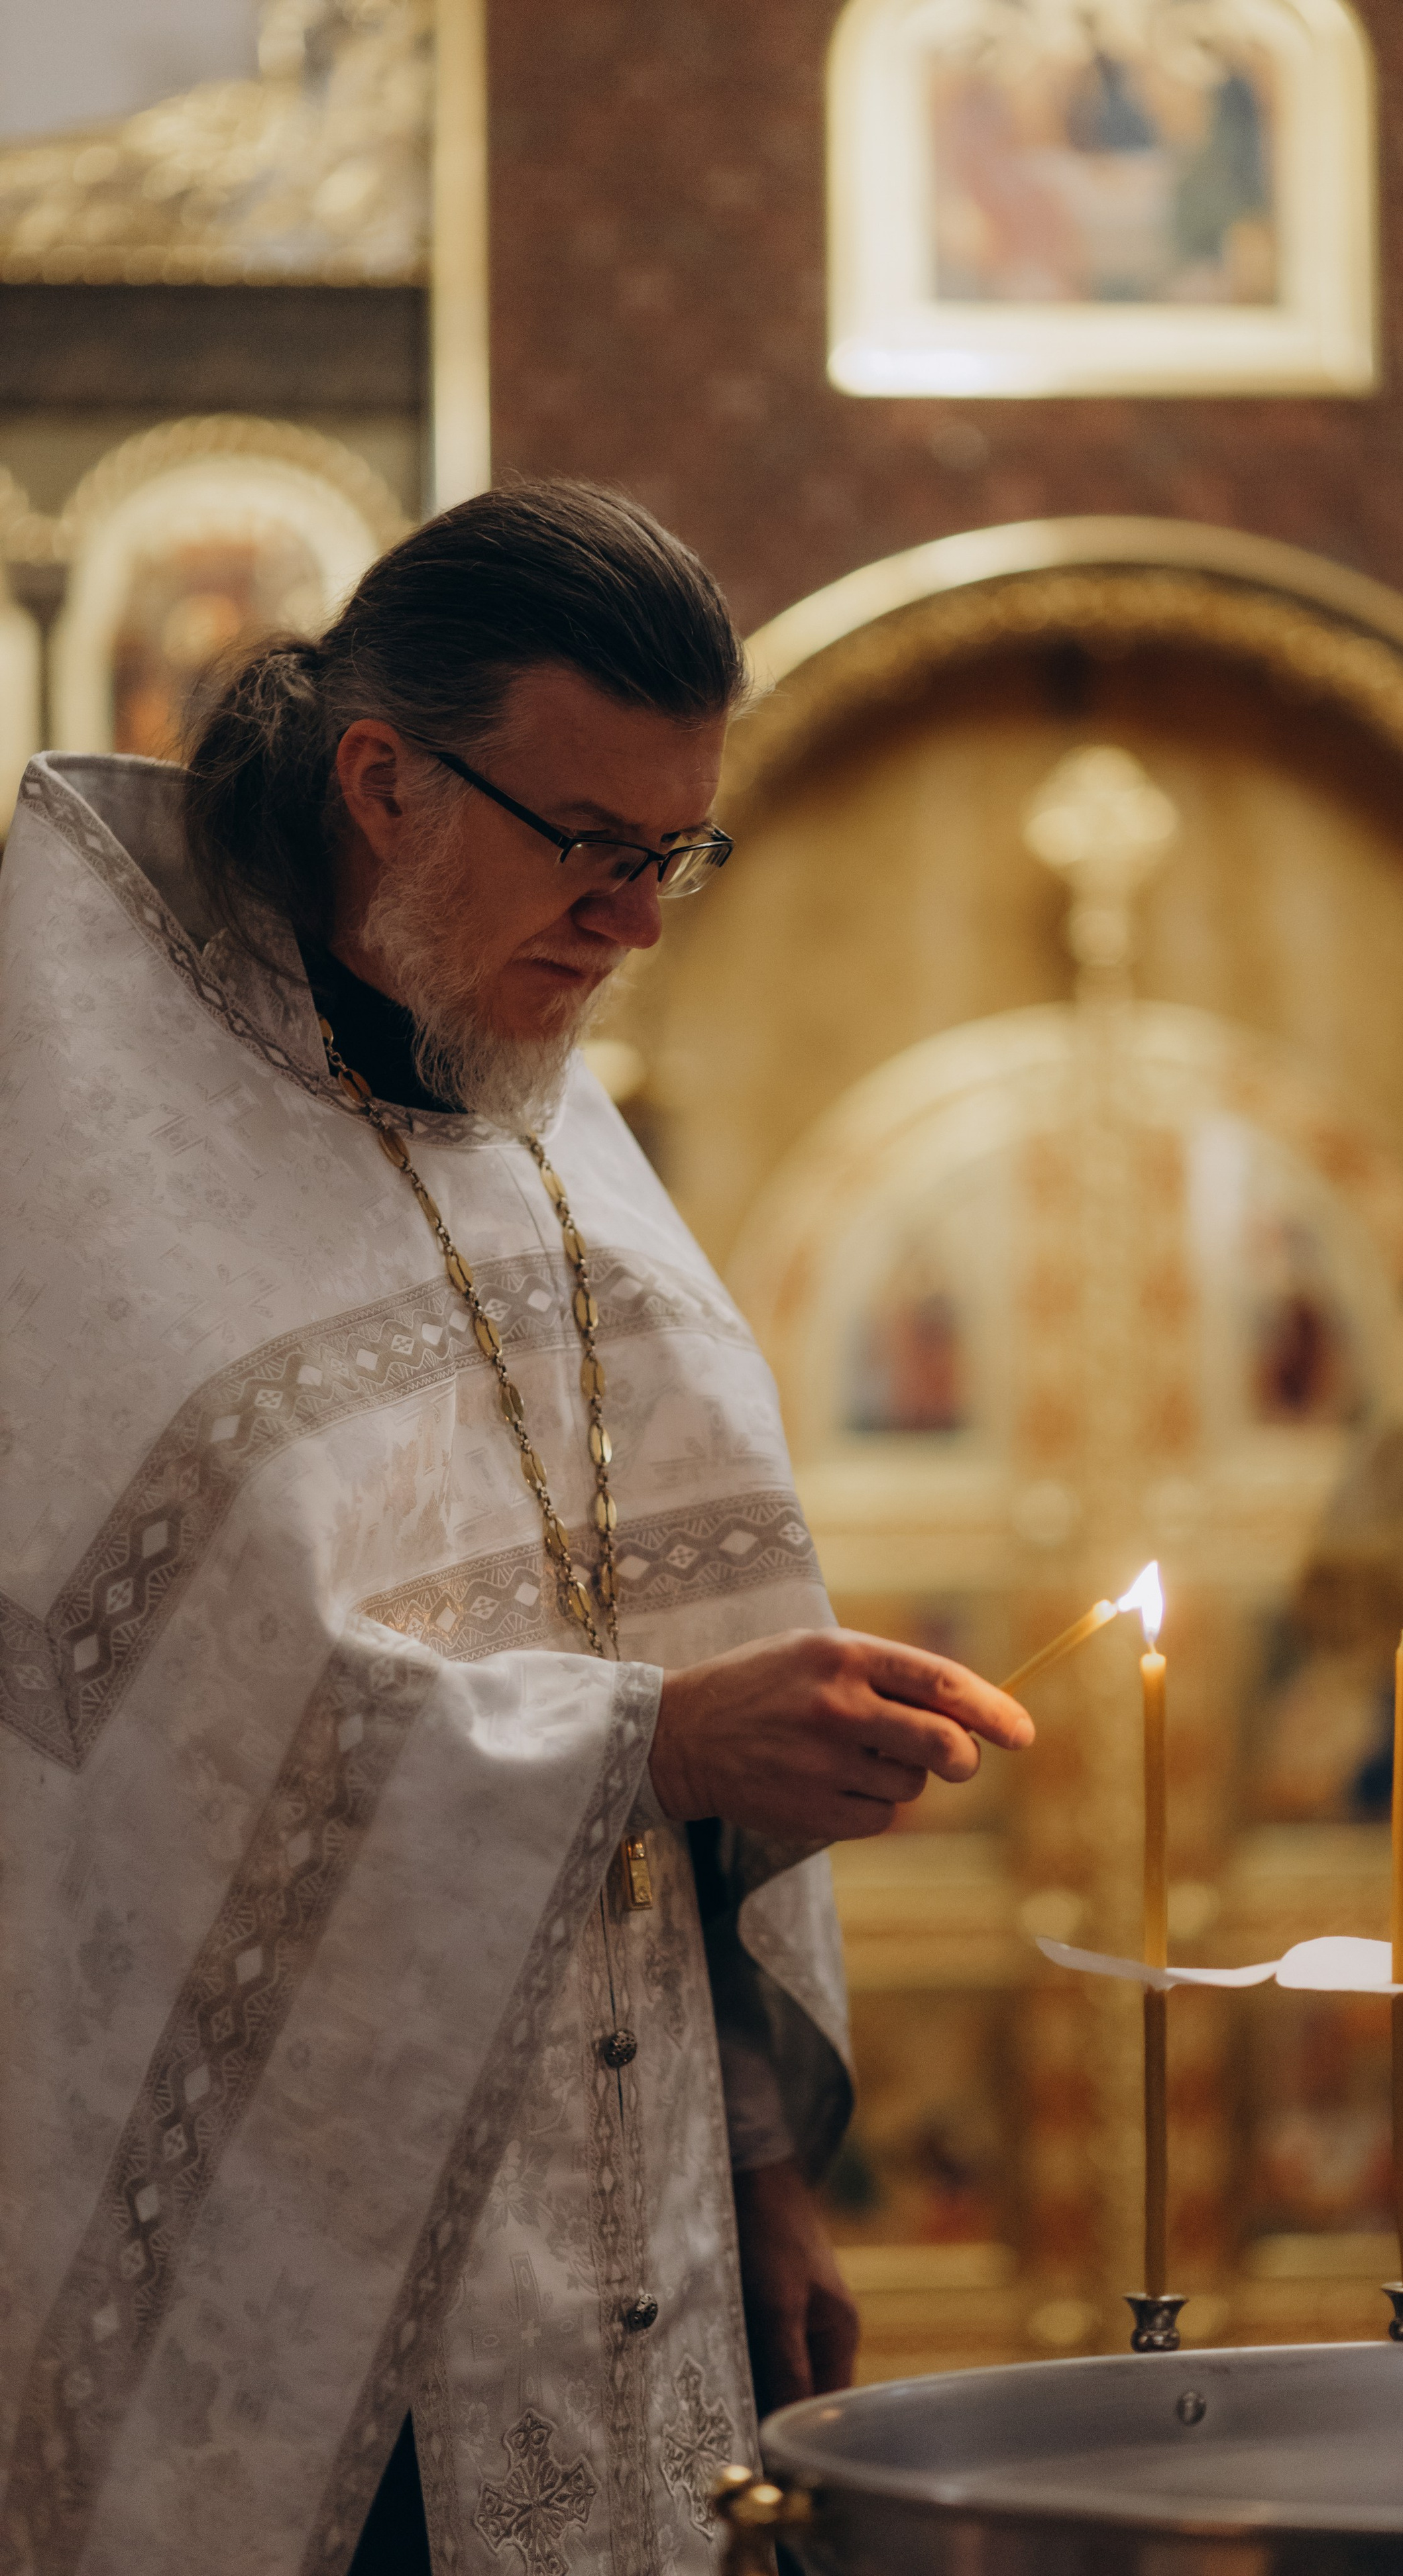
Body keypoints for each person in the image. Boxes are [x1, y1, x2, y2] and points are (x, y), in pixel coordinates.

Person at [0, 482, 1032, 2576]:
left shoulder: (525, 1083)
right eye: (595, 847)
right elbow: (133, 1762)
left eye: (679, 856)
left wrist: (762, 2171)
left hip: (621, 2203)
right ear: (381, 777)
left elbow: (678, 1611)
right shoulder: (76, 1137)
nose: (639, 922)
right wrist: (649, 1741)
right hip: (275, 2282)